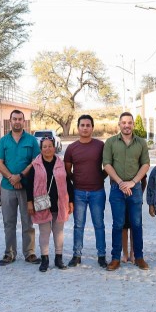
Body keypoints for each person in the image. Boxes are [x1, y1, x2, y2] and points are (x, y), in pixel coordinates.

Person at [102, 111, 150, 271]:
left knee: (137, 224)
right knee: (118, 224)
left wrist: (133, 182)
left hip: (135, 188)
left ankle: (139, 257)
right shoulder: (110, 142)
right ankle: (115, 258)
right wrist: (121, 182)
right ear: (119, 124)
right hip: (117, 189)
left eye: (129, 122)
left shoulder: (141, 143)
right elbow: (107, 164)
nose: (127, 125)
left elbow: (145, 164)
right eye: (124, 122)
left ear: (133, 125)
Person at [0, 110, 41, 266]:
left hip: (26, 188)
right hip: (7, 187)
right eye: (14, 119)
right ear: (10, 121)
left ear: (23, 121)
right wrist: (11, 178)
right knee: (9, 222)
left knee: (28, 221)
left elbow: (35, 161)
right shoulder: (4, 141)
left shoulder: (31, 140)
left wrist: (20, 176)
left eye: (20, 119)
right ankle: (9, 253)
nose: (17, 121)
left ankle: (30, 253)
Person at [63, 114, 107, 268]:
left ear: (92, 128)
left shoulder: (100, 146)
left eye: (88, 125)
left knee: (99, 224)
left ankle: (101, 255)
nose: (85, 128)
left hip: (97, 192)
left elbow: (108, 165)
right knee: (78, 225)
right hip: (78, 192)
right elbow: (67, 170)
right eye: (82, 125)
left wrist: (100, 177)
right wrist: (76, 180)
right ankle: (77, 255)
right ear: (78, 127)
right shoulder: (71, 148)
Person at [26, 136, 74, 272]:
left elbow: (68, 182)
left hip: (59, 203)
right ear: (41, 149)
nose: (47, 149)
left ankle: (59, 258)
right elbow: (29, 185)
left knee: (59, 232)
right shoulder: (35, 165)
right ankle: (45, 259)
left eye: (50, 146)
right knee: (44, 232)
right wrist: (29, 202)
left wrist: (71, 201)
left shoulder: (60, 164)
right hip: (42, 204)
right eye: (44, 146)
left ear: (54, 147)